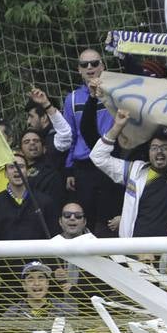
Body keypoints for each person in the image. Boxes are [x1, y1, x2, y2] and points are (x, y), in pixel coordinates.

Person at [89, 107, 167, 238]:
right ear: (148, 153)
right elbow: (97, 156)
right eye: (154, 148)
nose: (159, 151)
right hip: (137, 246)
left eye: (164, 148)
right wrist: (117, 127)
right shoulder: (134, 171)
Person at [60, 49, 122, 237]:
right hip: (84, 166)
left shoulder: (116, 93)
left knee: (111, 220)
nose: (90, 67)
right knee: (86, 219)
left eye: (94, 63)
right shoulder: (72, 99)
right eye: (84, 64)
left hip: (111, 161)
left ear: (103, 66)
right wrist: (69, 169)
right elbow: (70, 135)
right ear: (78, 69)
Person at [0, 151, 56, 241]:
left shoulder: (44, 202)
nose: (16, 170)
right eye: (11, 167)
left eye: (21, 166)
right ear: (5, 173)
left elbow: (53, 235)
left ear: (28, 171)